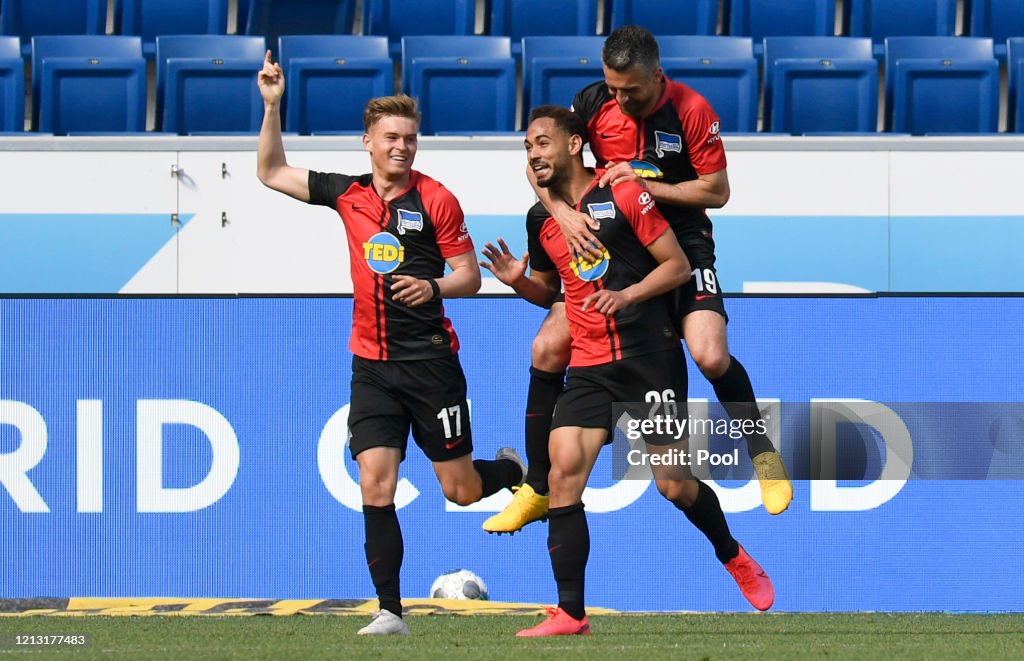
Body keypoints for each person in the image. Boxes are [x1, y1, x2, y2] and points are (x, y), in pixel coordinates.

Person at [256, 51, 525, 636]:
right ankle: (389, 612)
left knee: (460, 491)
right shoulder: (347, 193)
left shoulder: (437, 200)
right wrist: (273, 107)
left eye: (410, 138)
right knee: (375, 482)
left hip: (431, 364)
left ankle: (508, 472)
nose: (401, 147)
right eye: (391, 138)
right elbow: (271, 172)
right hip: (371, 366)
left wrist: (431, 286)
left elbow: (468, 276)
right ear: (368, 143)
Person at [482, 26, 791, 535]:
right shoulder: (593, 102)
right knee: (546, 348)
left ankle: (762, 452)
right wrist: (559, 213)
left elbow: (716, 192)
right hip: (616, 241)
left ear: (657, 75)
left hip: (681, 243)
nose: (620, 99)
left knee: (711, 354)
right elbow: (543, 153)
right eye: (613, 88)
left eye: (632, 90)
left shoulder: (692, 111)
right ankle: (537, 486)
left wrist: (644, 184)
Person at [481, 106, 774, 636]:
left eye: (543, 143)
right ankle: (571, 612)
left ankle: (731, 553)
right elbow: (550, 291)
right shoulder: (540, 220)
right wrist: (516, 282)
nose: (534, 155)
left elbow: (677, 266)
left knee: (675, 485)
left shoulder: (624, 193)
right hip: (590, 366)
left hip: (649, 360)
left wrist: (629, 294)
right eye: (527, 148)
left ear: (574, 145)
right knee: (564, 472)